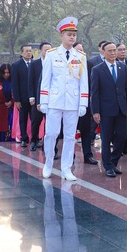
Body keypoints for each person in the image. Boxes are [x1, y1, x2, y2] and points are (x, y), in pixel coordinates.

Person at [40, 17, 89, 181]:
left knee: (70, 136)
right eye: (69, 34)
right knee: (51, 133)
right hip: (54, 101)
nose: (72, 37)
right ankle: (48, 163)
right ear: (62, 36)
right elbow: (45, 80)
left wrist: (83, 103)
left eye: (74, 35)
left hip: (73, 102)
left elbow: (84, 81)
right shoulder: (52, 55)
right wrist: (44, 101)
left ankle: (66, 168)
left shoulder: (80, 56)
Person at [91, 41, 127, 177]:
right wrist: (95, 111)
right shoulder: (97, 69)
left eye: (114, 50)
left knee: (121, 137)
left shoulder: (123, 67)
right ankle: (107, 165)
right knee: (106, 138)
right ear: (103, 53)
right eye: (110, 51)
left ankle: (114, 162)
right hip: (106, 110)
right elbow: (95, 92)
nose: (113, 53)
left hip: (121, 109)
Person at [73, 42, 98, 165]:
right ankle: (68, 155)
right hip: (70, 103)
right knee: (69, 131)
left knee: (86, 130)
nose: (80, 53)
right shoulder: (67, 64)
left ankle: (88, 155)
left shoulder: (89, 65)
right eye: (78, 51)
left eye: (82, 51)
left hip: (85, 102)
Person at [28, 42, 51, 151]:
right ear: (41, 51)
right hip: (38, 97)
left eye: (50, 50)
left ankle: (46, 142)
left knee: (49, 122)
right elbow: (31, 81)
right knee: (36, 120)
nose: (47, 52)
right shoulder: (34, 64)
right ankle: (34, 140)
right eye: (45, 50)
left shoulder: (54, 63)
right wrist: (32, 96)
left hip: (51, 98)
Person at [11, 44, 34, 147]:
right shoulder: (16, 65)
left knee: (35, 119)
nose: (29, 53)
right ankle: (24, 138)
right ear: (21, 53)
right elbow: (15, 84)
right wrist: (17, 99)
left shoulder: (35, 64)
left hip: (34, 98)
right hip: (22, 98)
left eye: (30, 51)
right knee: (23, 119)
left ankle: (35, 138)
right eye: (26, 51)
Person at [0, 64, 14, 142]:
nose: (6, 74)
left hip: (12, 108)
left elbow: (16, 93)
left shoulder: (13, 80)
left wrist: (11, 102)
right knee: (1, 129)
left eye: (8, 73)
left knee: (12, 126)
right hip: (1, 108)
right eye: (4, 73)